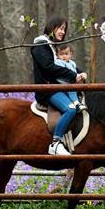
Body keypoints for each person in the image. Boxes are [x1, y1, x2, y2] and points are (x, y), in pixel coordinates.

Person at [31, 17, 88, 155]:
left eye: (64, 29)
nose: (63, 32)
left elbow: (67, 64)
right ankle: (56, 143)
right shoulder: (40, 45)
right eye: (61, 28)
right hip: (48, 90)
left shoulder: (52, 45)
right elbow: (49, 67)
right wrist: (73, 76)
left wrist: (80, 73)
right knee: (70, 110)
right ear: (52, 27)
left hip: (58, 88)